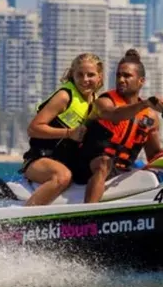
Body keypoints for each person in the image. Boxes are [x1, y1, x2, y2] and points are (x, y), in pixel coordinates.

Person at [77, 49, 163, 203]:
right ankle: (86, 216)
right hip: (87, 166)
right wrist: (145, 103)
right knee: (104, 163)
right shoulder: (104, 102)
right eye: (118, 75)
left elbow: (153, 155)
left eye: (127, 76)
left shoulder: (150, 117)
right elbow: (116, 115)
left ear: (141, 81)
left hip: (122, 171)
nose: (121, 79)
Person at [21, 53, 104, 206]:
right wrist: (68, 133)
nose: (85, 80)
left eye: (91, 75)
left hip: (69, 162)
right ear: (73, 74)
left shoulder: (97, 102)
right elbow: (33, 129)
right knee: (62, 176)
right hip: (39, 160)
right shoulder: (65, 96)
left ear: (100, 77)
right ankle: (22, 223)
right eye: (80, 74)